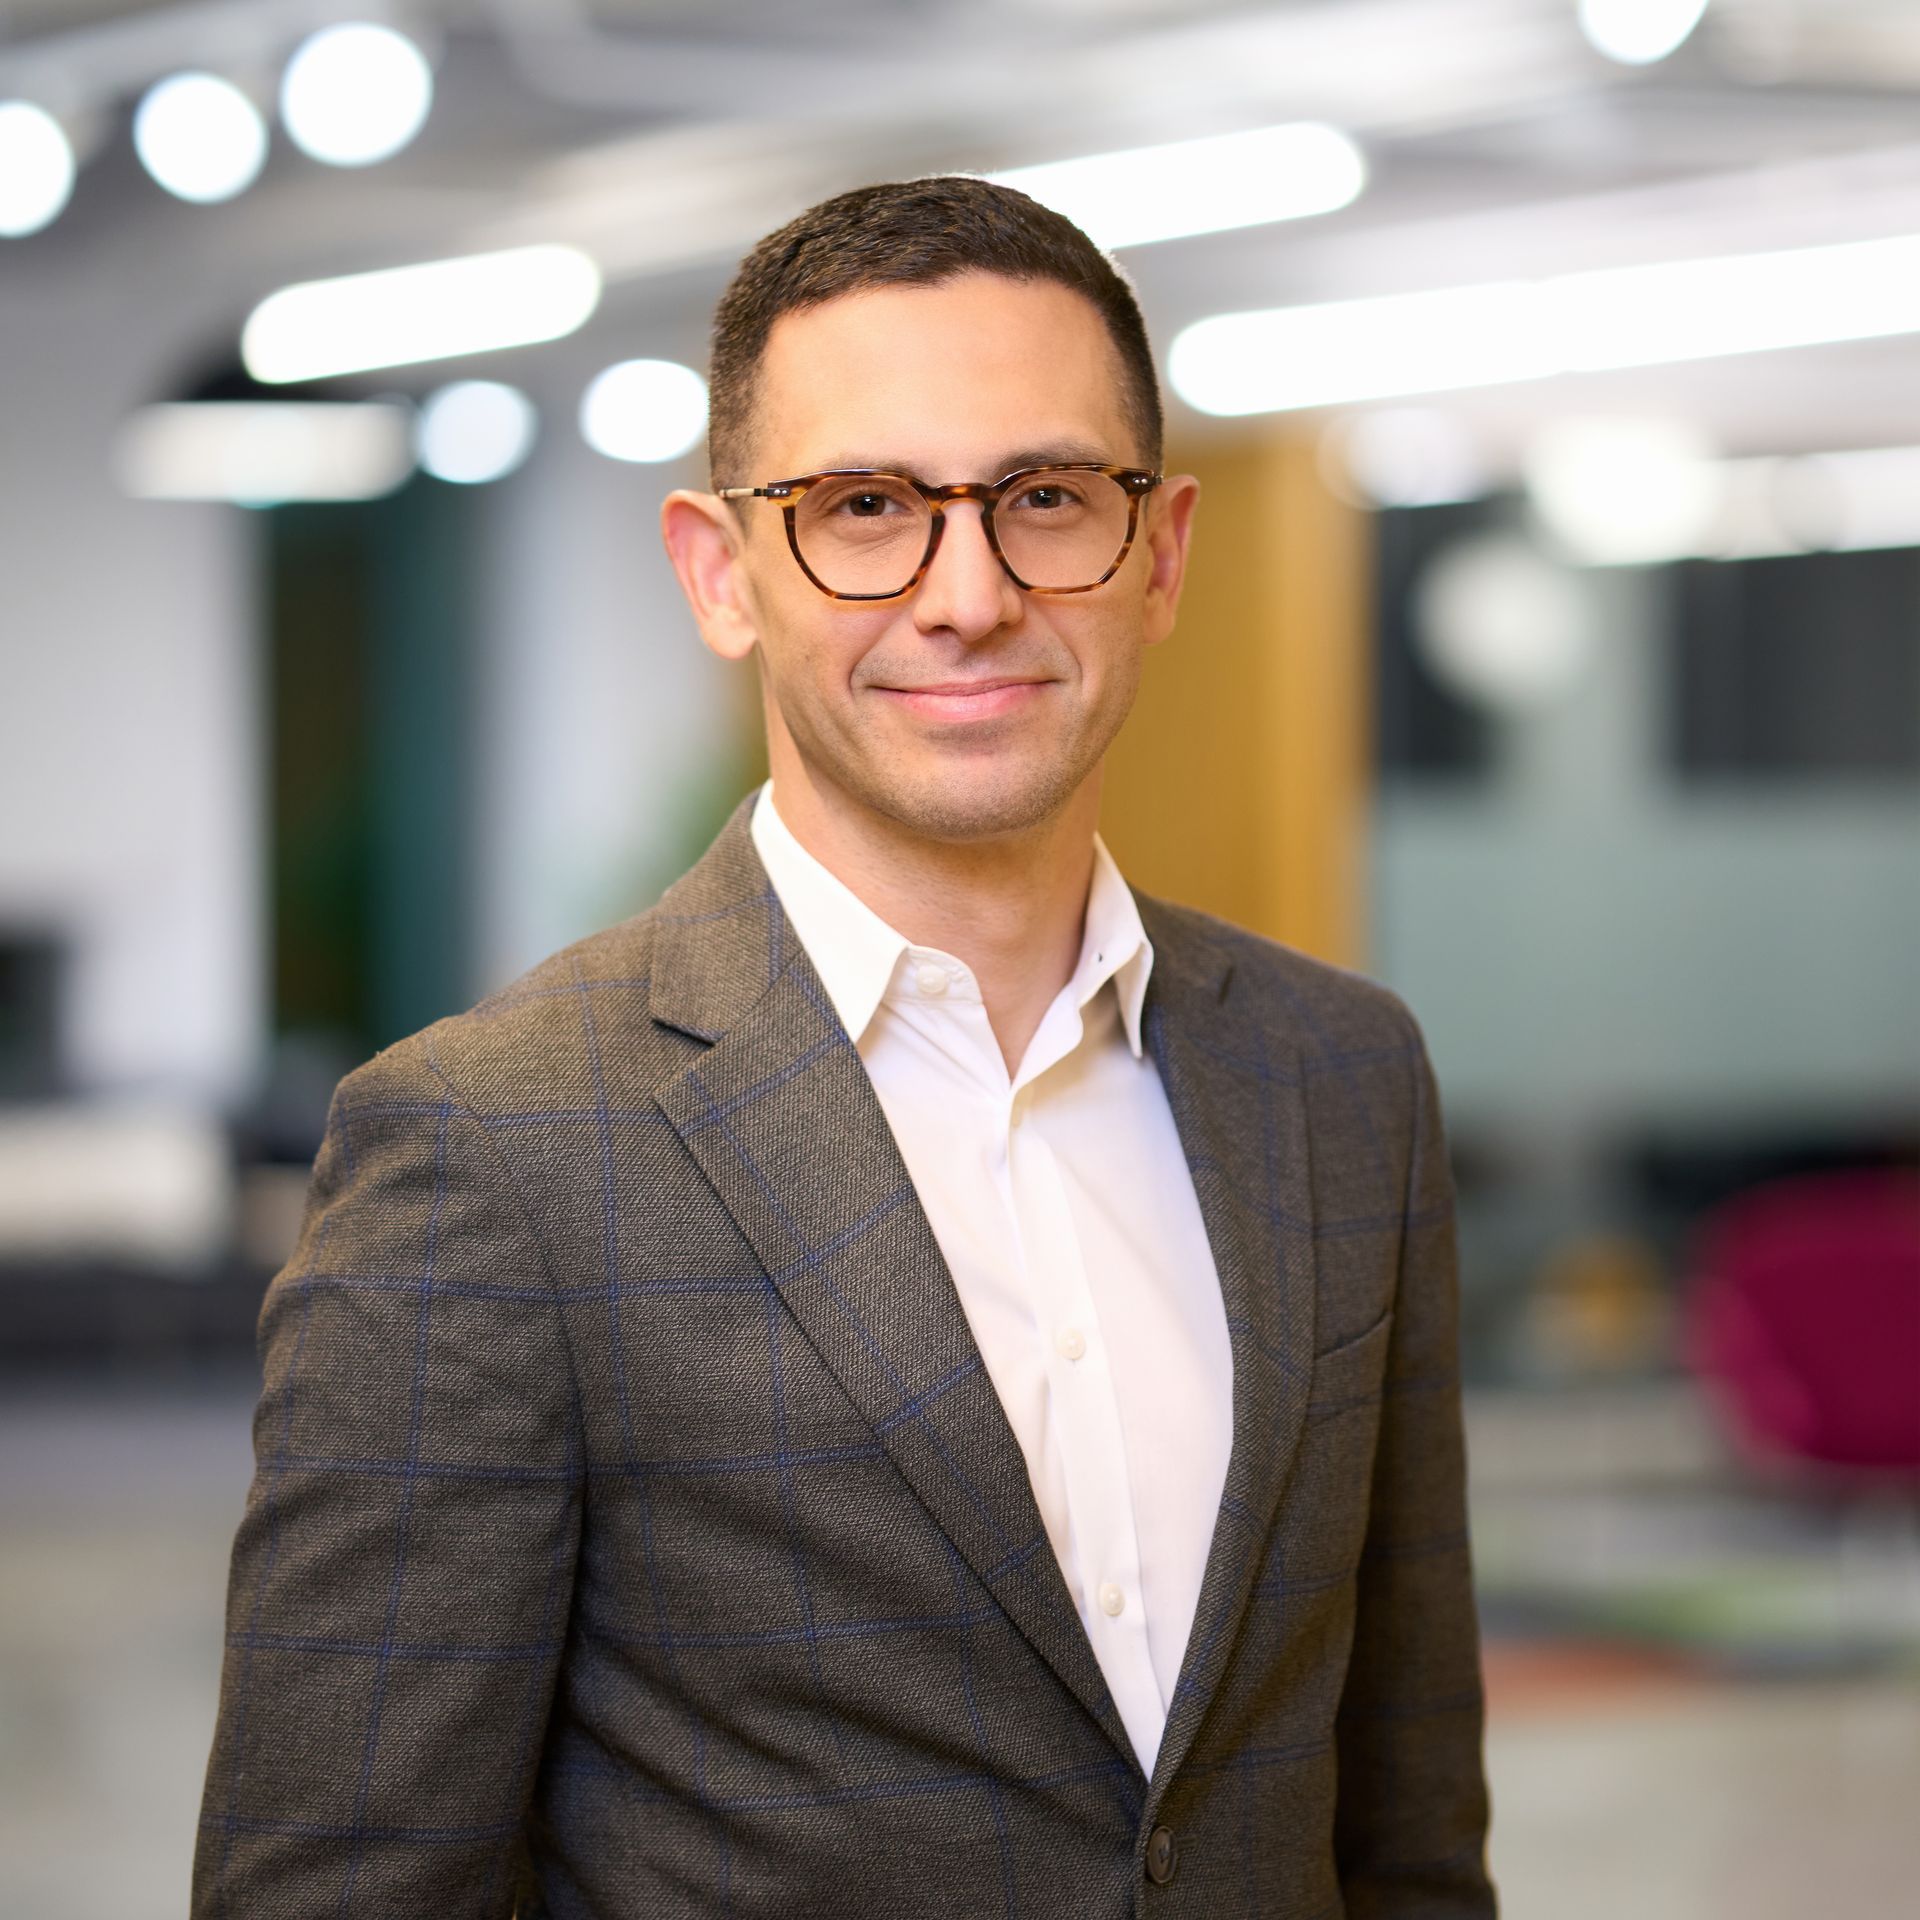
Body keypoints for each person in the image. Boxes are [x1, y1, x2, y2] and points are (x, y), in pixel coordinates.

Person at [192, 175, 1497, 1918]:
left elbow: (1410, 1836)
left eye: (1046, 498)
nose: (969, 595)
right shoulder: (490, 1150)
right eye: (865, 508)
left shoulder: (1341, 1078)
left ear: (1163, 552)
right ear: (721, 573)